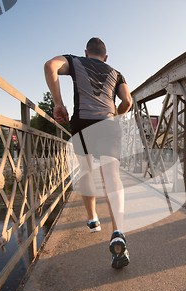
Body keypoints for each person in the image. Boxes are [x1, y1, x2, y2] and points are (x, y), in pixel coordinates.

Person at [44, 37, 132, 269]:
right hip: (108, 124)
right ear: (105, 57)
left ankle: (93, 220)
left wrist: (58, 103)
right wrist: (116, 116)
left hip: (81, 123)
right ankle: (118, 232)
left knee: (85, 170)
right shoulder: (116, 73)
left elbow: (49, 66)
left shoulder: (75, 62)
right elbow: (127, 101)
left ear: (86, 52)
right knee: (112, 176)